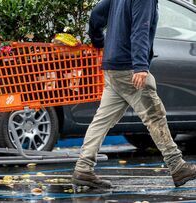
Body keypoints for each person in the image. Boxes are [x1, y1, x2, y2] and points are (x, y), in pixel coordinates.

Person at [72, 0, 196, 188]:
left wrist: (98, 40)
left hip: (113, 66)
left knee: (102, 119)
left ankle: (83, 168)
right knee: (155, 116)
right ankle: (177, 166)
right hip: (129, 67)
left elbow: (97, 14)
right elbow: (140, 29)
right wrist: (140, 66)